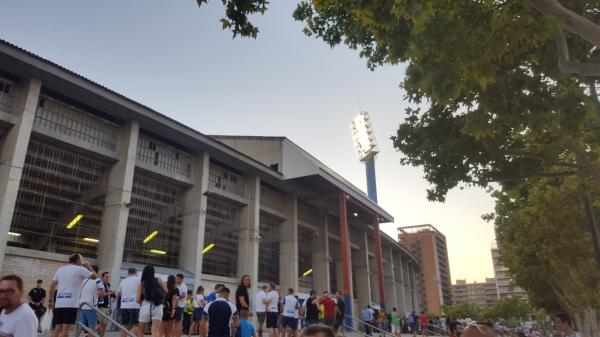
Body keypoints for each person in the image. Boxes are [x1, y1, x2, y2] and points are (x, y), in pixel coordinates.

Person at [49, 253, 98, 337]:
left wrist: (50, 300)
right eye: (81, 259)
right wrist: (89, 266)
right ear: (78, 260)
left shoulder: (60, 269)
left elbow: (52, 285)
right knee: (65, 328)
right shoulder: (80, 269)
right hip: (71, 303)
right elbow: (94, 276)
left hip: (59, 303)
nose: (82, 261)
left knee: (57, 327)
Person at [135, 265, 168, 337]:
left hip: (145, 306)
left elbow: (137, 299)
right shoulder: (159, 280)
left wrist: (142, 303)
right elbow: (166, 291)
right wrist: (161, 299)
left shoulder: (142, 284)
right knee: (155, 331)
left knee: (141, 331)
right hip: (158, 306)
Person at [79, 265, 105, 333]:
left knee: (80, 326)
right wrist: (98, 293)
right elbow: (102, 294)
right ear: (97, 272)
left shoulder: (84, 280)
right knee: (93, 328)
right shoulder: (98, 280)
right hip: (91, 307)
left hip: (81, 306)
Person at [119, 268, 141, 337]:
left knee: (125, 326)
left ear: (128, 273)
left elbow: (119, 293)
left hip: (124, 305)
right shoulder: (139, 280)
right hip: (135, 305)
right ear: (135, 272)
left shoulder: (123, 281)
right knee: (136, 325)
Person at [98, 271, 117, 337]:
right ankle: (90, 334)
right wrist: (110, 293)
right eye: (106, 277)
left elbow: (111, 297)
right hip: (101, 307)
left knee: (104, 325)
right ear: (102, 277)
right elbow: (100, 295)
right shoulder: (100, 285)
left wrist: (114, 295)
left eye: (109, 277)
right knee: (102, 324)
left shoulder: (108, 285)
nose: (108, 278)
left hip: (107, 308)